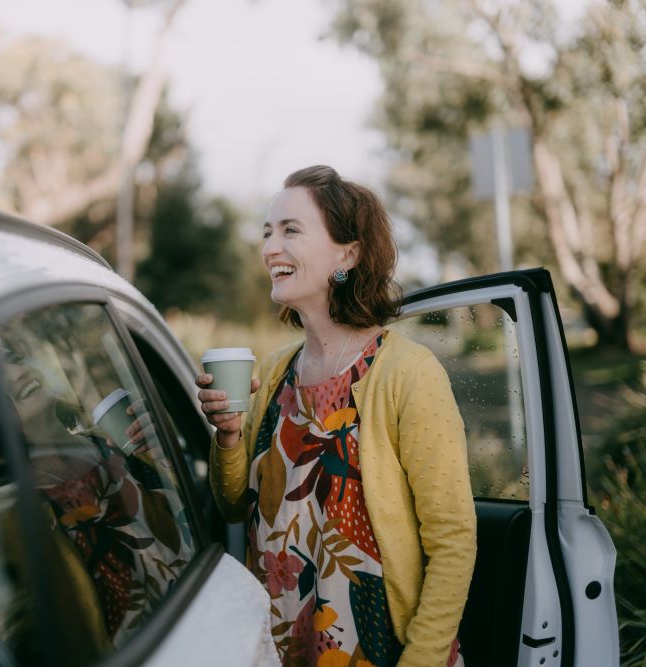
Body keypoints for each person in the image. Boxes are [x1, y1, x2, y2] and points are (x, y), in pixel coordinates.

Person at [196, 165, 476, 667]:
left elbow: (454, 540)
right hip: (280, 641)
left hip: (378, 648)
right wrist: (229, 436)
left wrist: (422, 660)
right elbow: (236, 505)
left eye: (290, 230)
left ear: (347, 253)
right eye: (266, 232)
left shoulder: (409, 373)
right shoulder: (276, 370)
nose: (269, 248)